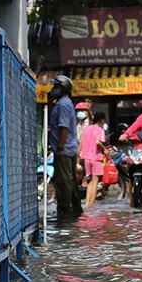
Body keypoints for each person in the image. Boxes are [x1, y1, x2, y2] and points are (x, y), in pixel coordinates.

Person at [48, 75, 83, 219]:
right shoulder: (64, 103)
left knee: (64, 182)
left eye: (56, 87)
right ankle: (75, 209)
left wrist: (60, 147)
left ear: (63, 89)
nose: (53, 89)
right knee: (70, 180)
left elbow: (64, 128)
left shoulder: (63, 105)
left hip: (64, 149)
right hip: (69, 148)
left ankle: (65, 212)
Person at [80, 111, 109, 207]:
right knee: (95, 182)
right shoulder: (100, 130)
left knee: (90, 182)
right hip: (96, 158)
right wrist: (104, 149)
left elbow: (82, 142)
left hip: (86, 158)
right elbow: (97, 142)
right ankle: (92, 204)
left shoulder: (87, 129)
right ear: (102, 120)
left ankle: (87, 203)